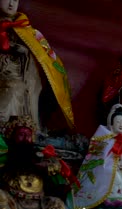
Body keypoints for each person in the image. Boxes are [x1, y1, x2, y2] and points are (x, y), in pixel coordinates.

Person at [0, 115, 74, 209]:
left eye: (28, 135)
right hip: (12, 205)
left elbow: (56, 173)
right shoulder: (5, 159)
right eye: (21, 134)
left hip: (39, 208)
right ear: (12, 137)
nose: (25, 139)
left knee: (56, 204)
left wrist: (47, 168)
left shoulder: (40, 160)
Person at [0, 0, 74, 131]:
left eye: (15, 0)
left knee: (30, 85)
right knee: (13, 88)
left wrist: (25, 52)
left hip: (21, 72)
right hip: (4, 72)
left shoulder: (27, 30)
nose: (11, 4)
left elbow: (46, 58)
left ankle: (27, 129)